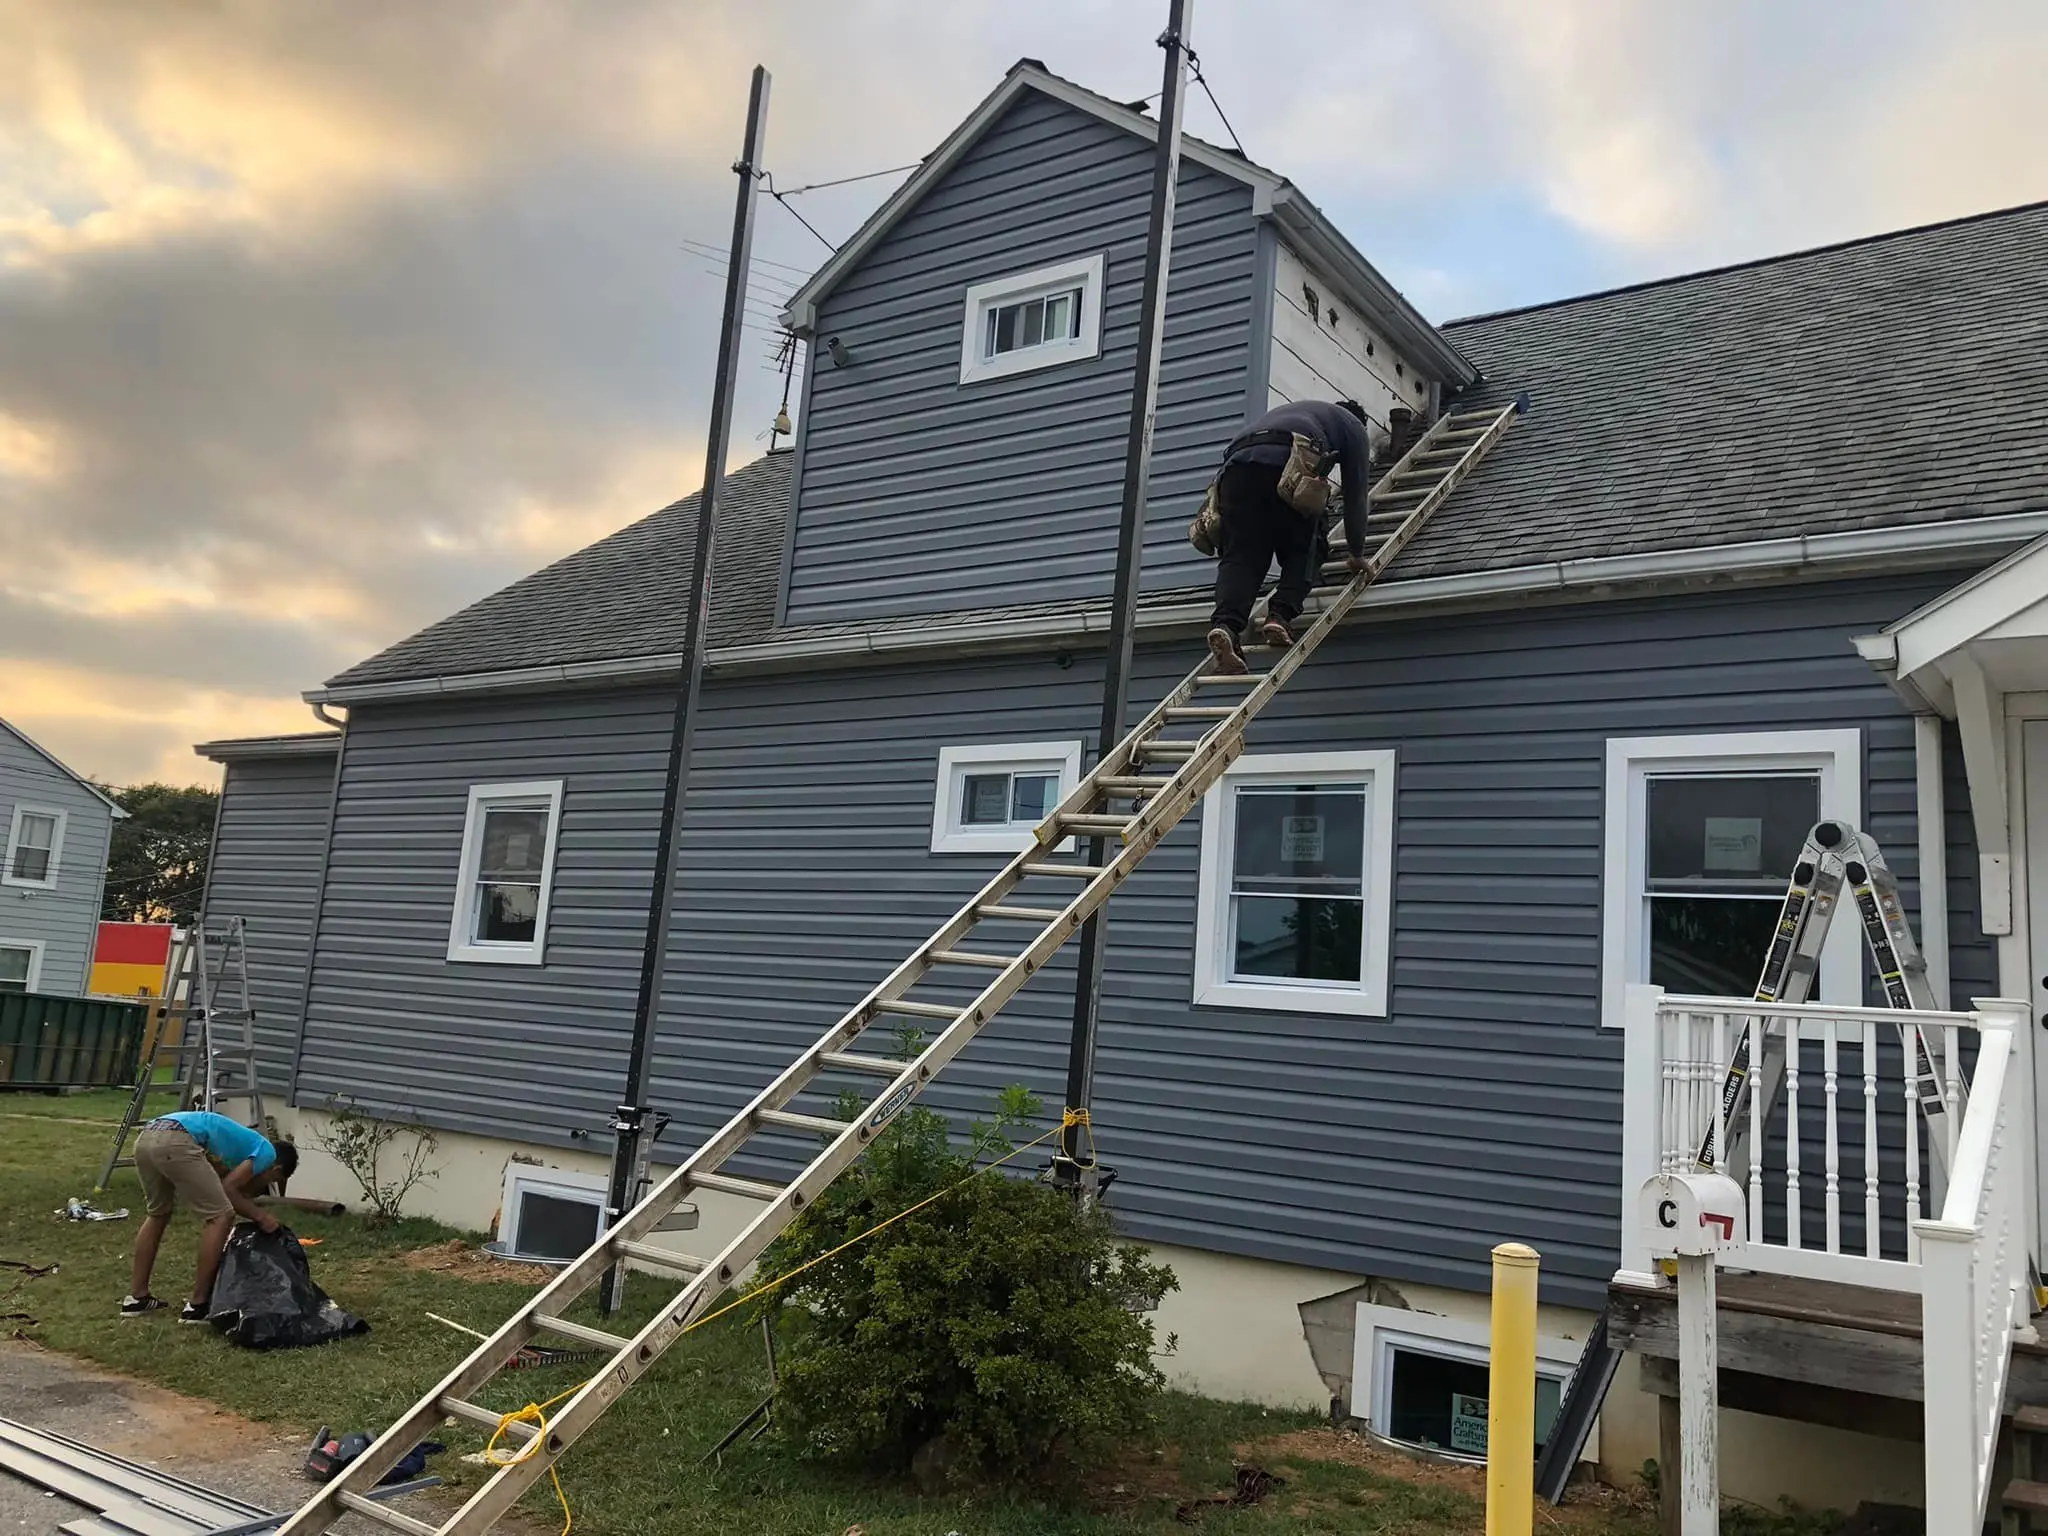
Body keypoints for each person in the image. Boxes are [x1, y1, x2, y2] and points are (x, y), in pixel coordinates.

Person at [1202, 398, 1376, 675]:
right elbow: (1356, 496)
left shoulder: (1301, 410)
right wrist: (1356, 552)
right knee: (1307, 542)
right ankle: (1280, 616)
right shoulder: (1352, 425)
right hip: (1286, 456)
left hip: (1235, 469)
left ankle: (1226, 626)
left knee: (1243, 554)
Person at [121, 1111, 297, 1321]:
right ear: (276, 1169)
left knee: (158, 1213)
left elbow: (221, 1183)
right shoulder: (266, 1153)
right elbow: (229, 1190)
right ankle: (198, 1306)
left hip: (147, 1136)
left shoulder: (237, 1150)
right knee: (221, 1217)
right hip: (176, 1139)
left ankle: (137, 1298)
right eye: (274, 1180)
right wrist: (262, 1217)